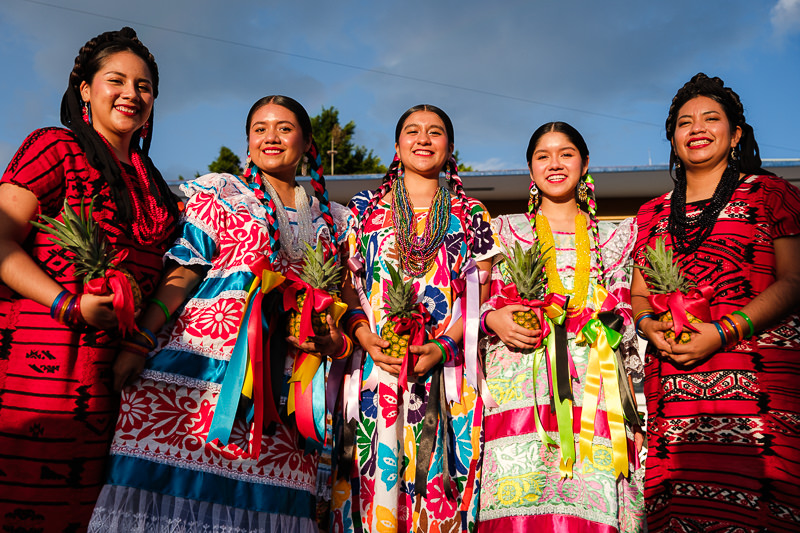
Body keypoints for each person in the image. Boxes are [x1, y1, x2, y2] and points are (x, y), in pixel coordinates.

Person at [88, 95, 355, 532]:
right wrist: (141, 338)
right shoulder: (223, 193)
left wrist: (333, 342)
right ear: (247, 142)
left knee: (269, 507)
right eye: (260, 128)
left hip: (284, 395)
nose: (271, 137)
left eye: (284, 128)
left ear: (307, 142)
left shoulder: (336, 222)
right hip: (196, 375)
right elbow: (184, 270)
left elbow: (343, 305)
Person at [0, 27, 180, 531]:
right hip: (43, 374)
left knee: (102, 517)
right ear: (84, 88)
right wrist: (68, 304)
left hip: (121, 385)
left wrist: (139, 342)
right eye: (116, 80)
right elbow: (1, 241)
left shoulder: (151, 178)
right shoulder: (53, 148)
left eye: (144, 86)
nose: (131, 94)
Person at [632, 73, 800, 531]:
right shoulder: (652, 213)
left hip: (758, 393)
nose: (697, 129)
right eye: (685, 122)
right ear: (672, 138)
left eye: (711, 119)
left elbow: (793, 280)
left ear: (736, 134)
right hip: (676, 390)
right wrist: (650, 328)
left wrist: (724, 331)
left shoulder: (771, 195)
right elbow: (640, 293)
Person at [331, 105, 497, 532]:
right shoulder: (365, 209)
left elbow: (483, 294)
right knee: (373, 490)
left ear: (450, 147)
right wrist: (365, 337)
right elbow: (348, 287)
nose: (423, 139)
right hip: (376, 368)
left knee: (442, 490)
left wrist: (443, 345)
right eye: (412, 131)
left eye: (435, 132)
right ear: (397, 146)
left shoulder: (471, 213)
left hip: (448, 372)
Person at [478, 122, 645, 531]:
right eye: (543, 156)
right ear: (529, 171)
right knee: (518, 502)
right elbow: (474, 302)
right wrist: (492, 318)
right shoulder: (502, 230)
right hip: (519, 389)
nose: (555, 163)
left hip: (595, 386)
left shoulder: (616, 236)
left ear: (585, 164)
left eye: (566, 153)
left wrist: (600, 324)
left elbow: (626, 314)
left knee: (593, 500)